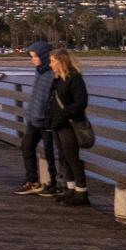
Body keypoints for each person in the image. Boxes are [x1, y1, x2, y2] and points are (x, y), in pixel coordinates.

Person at [14, 40, 59, 196]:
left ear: (44, 56)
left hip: (46, 120)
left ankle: (54, 184)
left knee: (50, 152)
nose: (32, 59)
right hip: (34, 118)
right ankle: (32, 180)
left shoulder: (53, 73)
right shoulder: (39, 71)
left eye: (35, 56)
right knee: (26, 146)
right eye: (31, 56)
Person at [47, 48, 90, 206]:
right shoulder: (58, 80)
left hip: (69, 124)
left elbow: (81, 102)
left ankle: (82, 192)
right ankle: (70, 188)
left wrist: (65, 113)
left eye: (53, 61)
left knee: (73, 158)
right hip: (57, 124)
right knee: (64, 157)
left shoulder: (75, 78)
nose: (50, 64)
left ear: (61, 61)